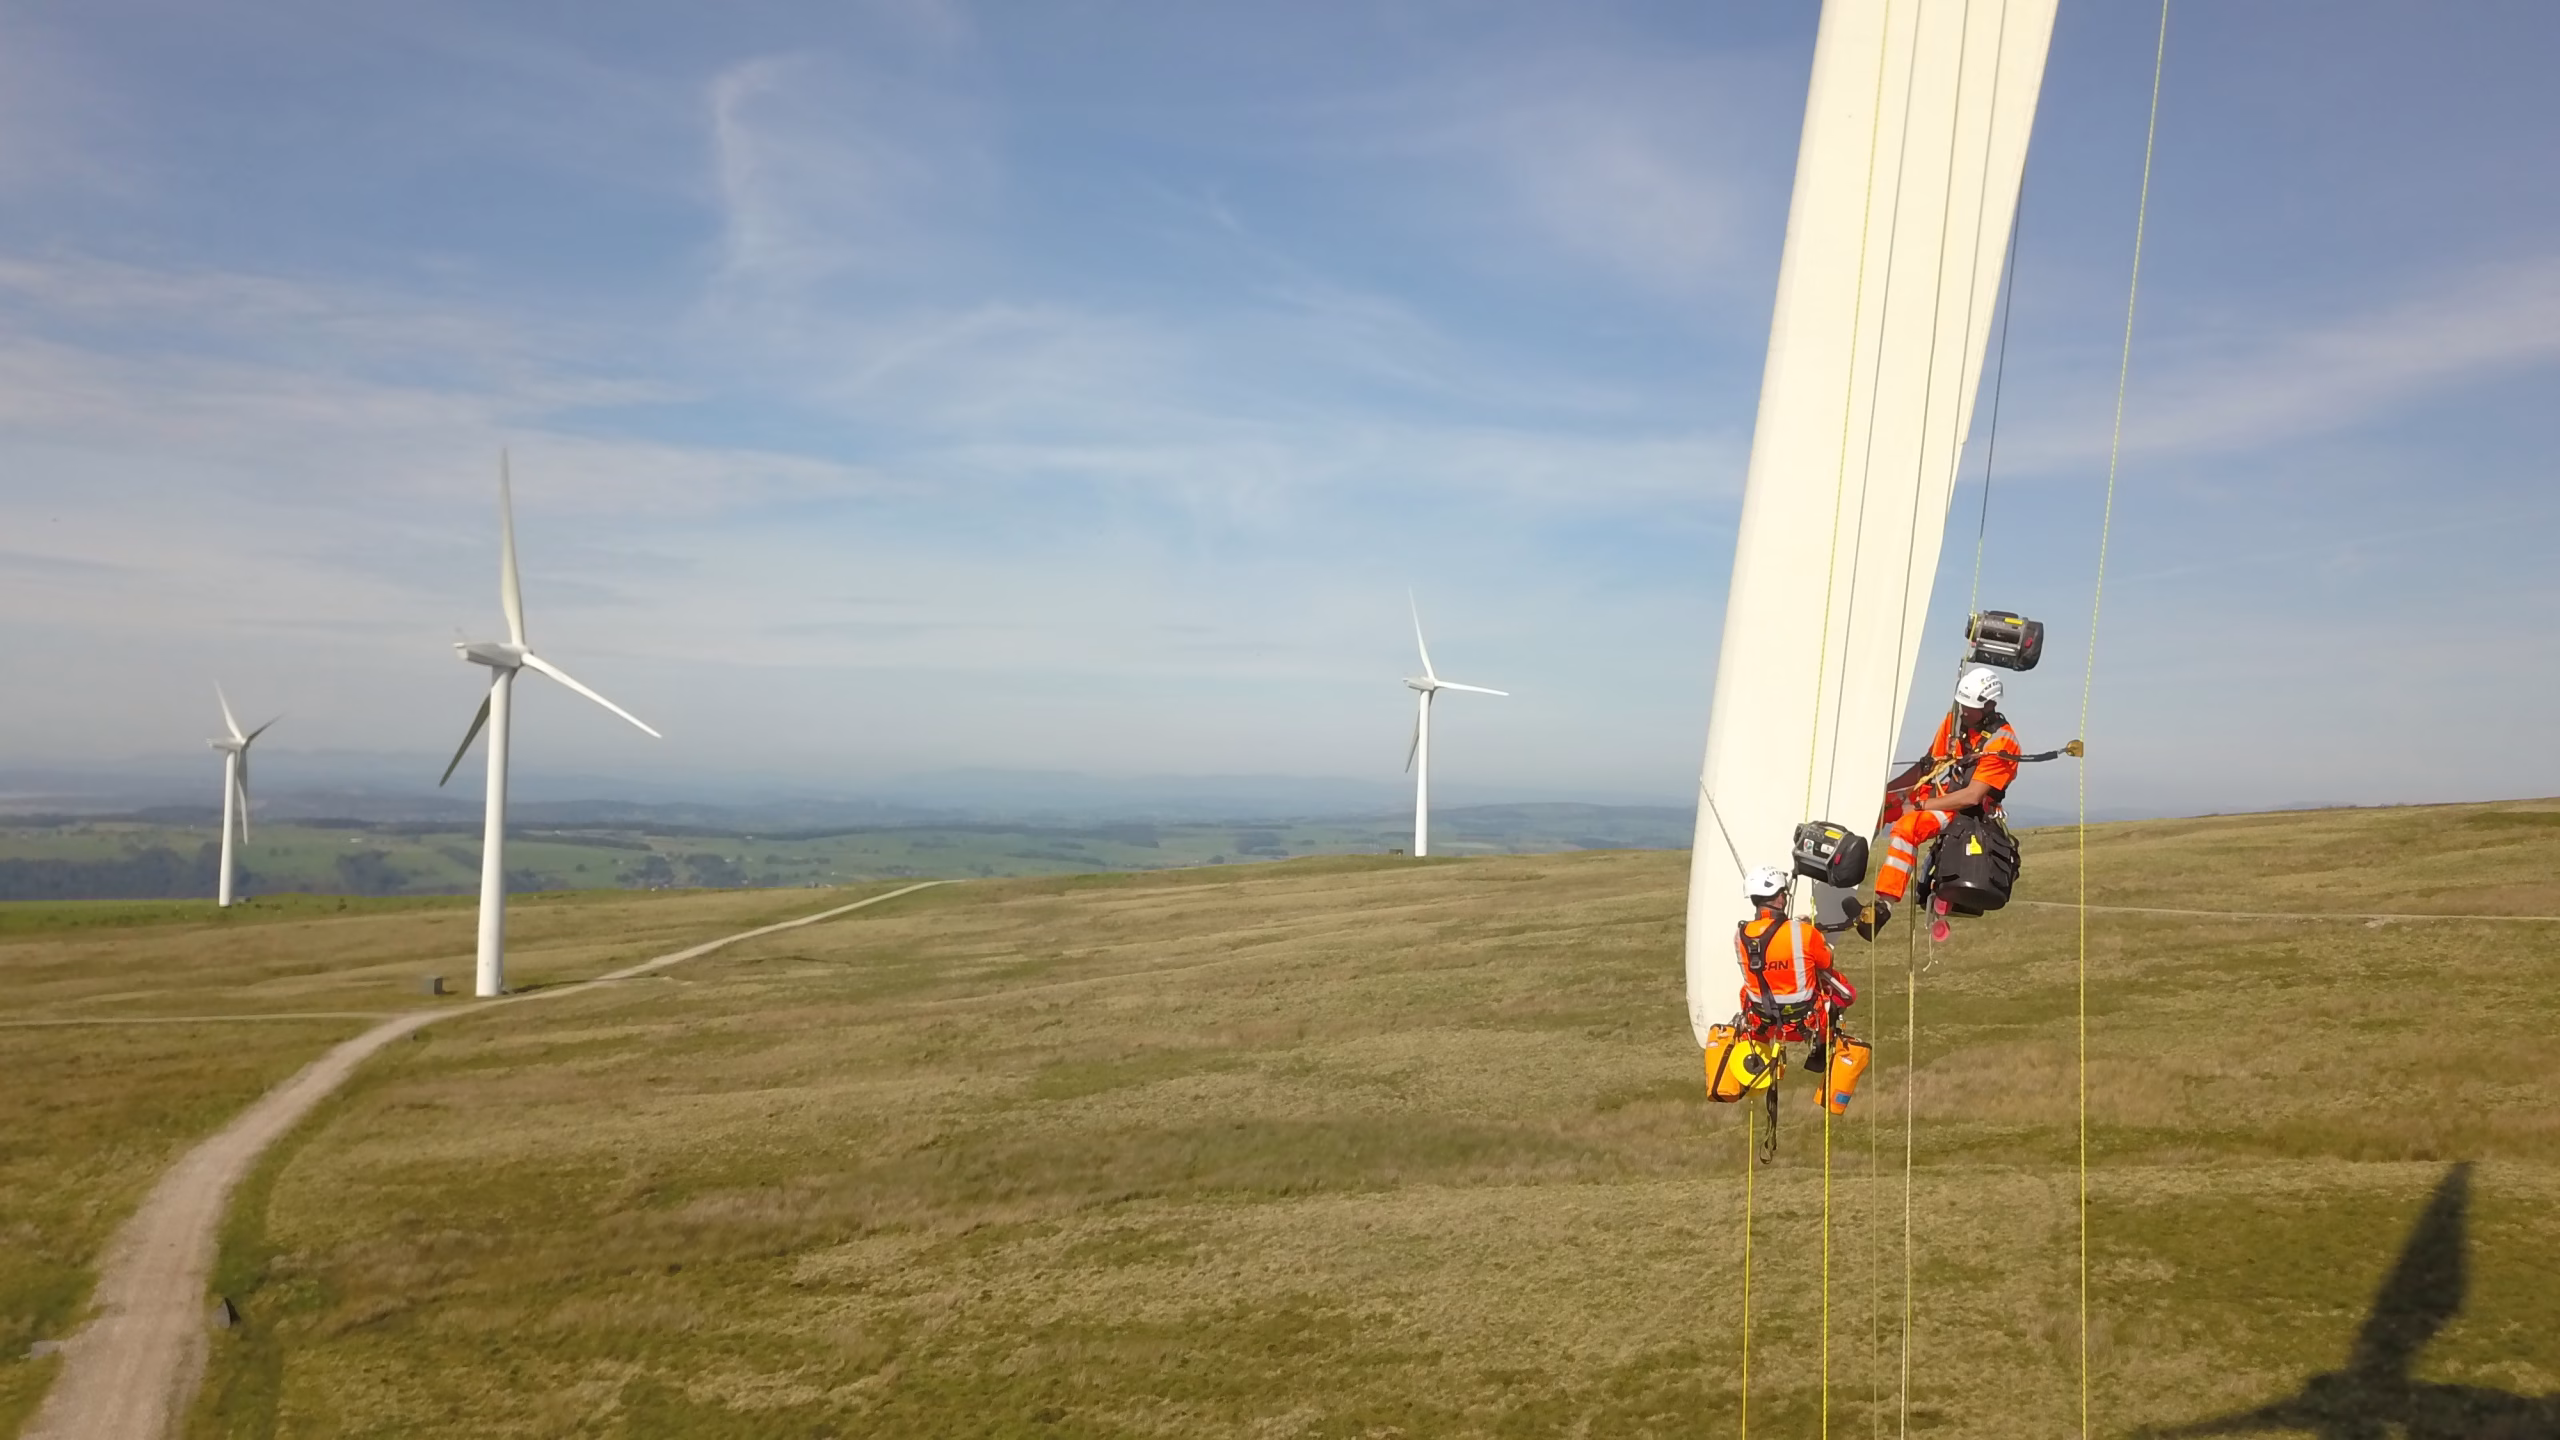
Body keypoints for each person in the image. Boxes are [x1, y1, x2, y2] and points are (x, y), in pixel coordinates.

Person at [1859, 665, 2023, 938]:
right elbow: (1927, 766)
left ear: (1990, 705)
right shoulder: (1955, 721)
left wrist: (1920, 807)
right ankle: (1847, 867)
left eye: (1970, 707)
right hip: (1940, 792)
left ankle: (1882, 906)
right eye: (1962, 705)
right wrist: (1886, 794)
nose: (1964, 711)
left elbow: (1972, 796)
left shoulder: (2003, 743)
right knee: (1877, 809)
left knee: (1907, 826)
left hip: (1964, 811)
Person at [1735, 864, 1857, 1067]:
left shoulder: (1740, 936)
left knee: (1747, 990)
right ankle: (1822, 1046)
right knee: (1845, 990)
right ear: (1780, 896)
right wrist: (1814, 935)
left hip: (1763, 1022)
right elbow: (1826, 962)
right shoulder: (1803, 932)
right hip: (1804, 1022)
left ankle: (1757, 1055)